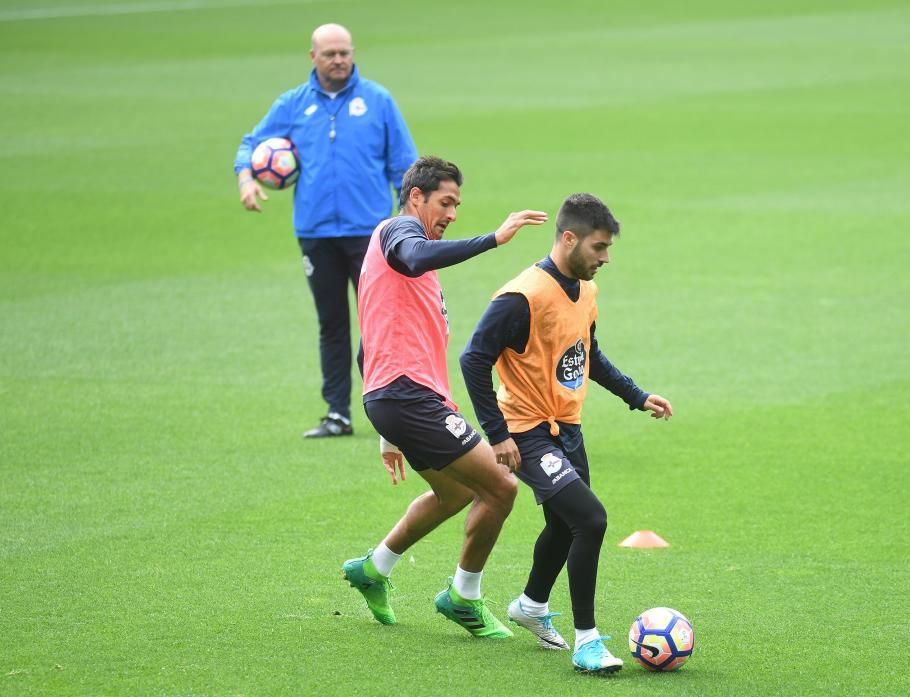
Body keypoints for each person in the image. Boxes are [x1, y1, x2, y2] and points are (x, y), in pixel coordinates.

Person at [459, 193, 673, 674]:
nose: (605, 258)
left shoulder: (586, 292)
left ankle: (531, 606)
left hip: (567, 430)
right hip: (527, 431)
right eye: (599, 247)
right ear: (569, 238)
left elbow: (588, 356)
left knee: (563, 525)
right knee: (591, 520)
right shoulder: (522, 296)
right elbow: (473, 358)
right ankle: (588, 641)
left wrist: (637, 396)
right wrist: (497, 434)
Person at [341, 156, 548, 639]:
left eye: (457, 203)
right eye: (446, 202)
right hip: (408, 397)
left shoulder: (401, 266)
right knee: (501, 486)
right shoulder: (397, 233)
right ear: (417, 196)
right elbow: (414, 256)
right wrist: (493, 240)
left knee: (455, 492)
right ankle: (463, 596)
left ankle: (373, 569)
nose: (453, 212)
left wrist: (384, 428)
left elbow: (367, 346)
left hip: (399, 400)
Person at [234, 23, 418, 438]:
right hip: (316, 232)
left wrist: (411, 222)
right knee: (332, 324)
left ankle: (387, 411)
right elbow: (250, 144)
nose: (339, 60)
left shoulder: (378, 101)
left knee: (378, 324)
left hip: (370, 235)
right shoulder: (292, 105)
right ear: (312, 57)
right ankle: (338, 413)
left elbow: (404, 167)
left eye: (345, 53)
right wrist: (247, 178)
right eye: (330, 54)